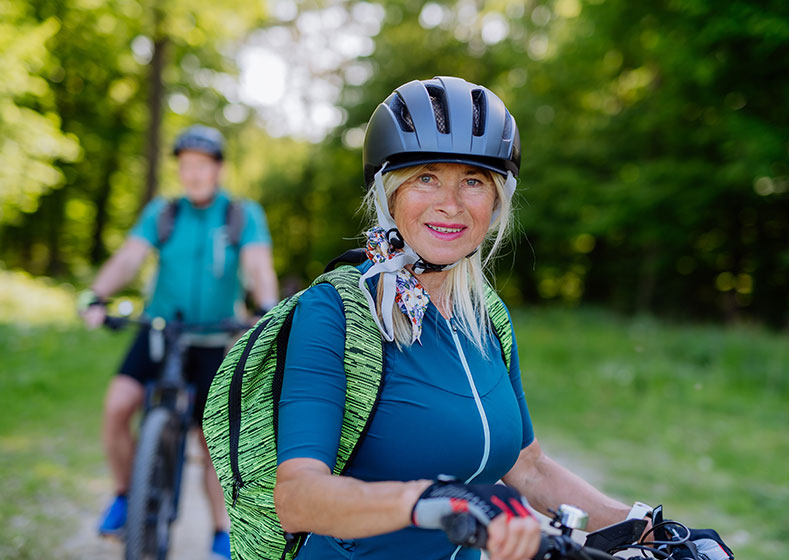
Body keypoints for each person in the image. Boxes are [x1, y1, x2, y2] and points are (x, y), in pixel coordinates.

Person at [271, 77, 734, 560]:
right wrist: (434, 501)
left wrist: (642, 529)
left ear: (496, 201)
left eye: (473, 181)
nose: (451, 203)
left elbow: (527, 466)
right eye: (426, 177)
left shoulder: (485, 313)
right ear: (388, 193)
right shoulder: (334, 311)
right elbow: (298, 497)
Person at [79, 124, 278, 559]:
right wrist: (98, 296)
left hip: (212, 339)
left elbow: (258, 263)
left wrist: (266, 307)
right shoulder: (163, 212)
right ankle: (124, 495)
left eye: (202, 165)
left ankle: (222, 531)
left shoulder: (241, 215)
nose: (192, 174)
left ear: (218, 169)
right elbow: (130, 256)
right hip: (158, 332)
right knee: (117, 407)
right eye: (185, 165)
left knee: (211, 442)